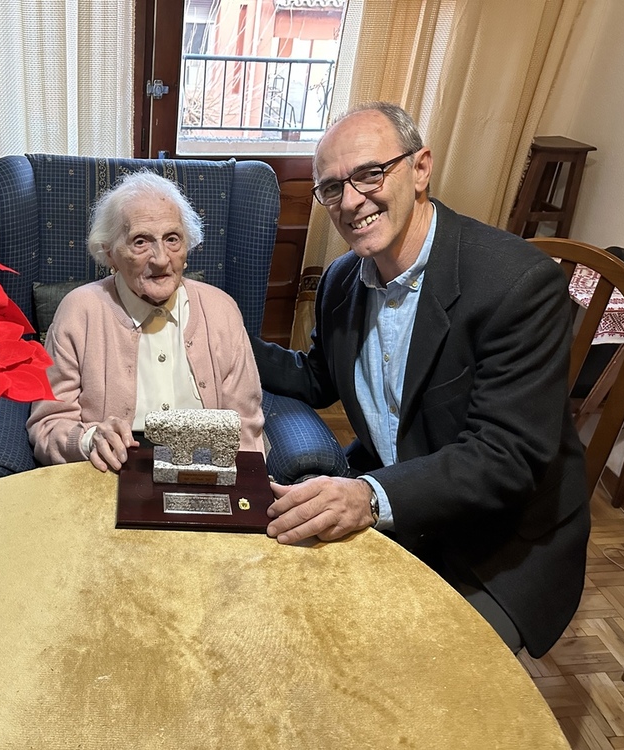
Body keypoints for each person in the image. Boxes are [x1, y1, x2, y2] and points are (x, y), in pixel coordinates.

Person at [251, 101, 589, 658]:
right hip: (408, 501)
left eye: (369, 173)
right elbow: (315, 378)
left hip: (500, 545)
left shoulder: (517, 283)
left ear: (421, 168)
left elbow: (506, 456)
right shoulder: (342, 280)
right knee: (292, 618)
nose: (351, 200)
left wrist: (369, 495)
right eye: (331, 188)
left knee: (417, 674)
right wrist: (213, 331)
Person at [28, 171, 265, 472]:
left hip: (206, 477)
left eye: (172, 239)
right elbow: (48, 424)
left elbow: (244, 425)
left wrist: (240, 497)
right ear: (110, 254)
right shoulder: (79, 312)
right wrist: (89, 440)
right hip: (108, 477)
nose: (161, 259)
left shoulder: (222, 311)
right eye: (141, 241)